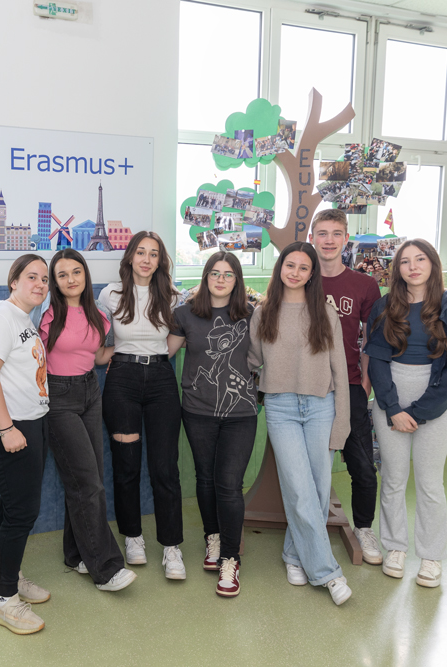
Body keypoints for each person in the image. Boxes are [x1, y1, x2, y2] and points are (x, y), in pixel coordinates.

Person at [247, 242, 353, 606]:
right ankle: (328, 573)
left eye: (303, 267)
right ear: (280, 268)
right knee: (298, 487)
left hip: (322, 405)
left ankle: (294, 555)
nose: (295, 272)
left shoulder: (325, 311)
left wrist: (342, 423)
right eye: (289, 265)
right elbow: (252, 359)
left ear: (311, 274)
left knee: (318, 490)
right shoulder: (263, 312)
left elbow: (340, 370)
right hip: (281, 407)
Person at [365, 239, 447, 588]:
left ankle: (431, 556)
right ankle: (395, 547)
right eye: (405, 261)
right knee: (393, 479)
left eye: (420, 259)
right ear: (397, 269)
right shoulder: (383, 306)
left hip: (436, 399)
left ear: (433, 264)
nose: (413, 267)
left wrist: (421, 412)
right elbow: (377, 361)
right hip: (391, 396)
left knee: (429, 483)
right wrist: (393, 409)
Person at [39, 249, 137, 593]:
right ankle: (106, 569)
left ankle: (76, 554)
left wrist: (129, 345)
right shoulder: (46, 314)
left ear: (85, 275)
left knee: (88, 479)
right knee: (88, 483)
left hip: (90, 392)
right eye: (62, 274)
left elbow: (96, 357)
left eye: (76, 272)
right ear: (55, 281)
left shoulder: (98, 313)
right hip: (58, 397)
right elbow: (33, 358)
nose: (71, 279)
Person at [167, 251, 257, 597]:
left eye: (228, 274)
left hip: (241, 413)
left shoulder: (252, 315)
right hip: (198, 410)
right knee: (205, 478)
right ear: (205, 278)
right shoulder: (184, 314)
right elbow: (165, 352)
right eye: (215, 273)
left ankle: (230, 559)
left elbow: (265, 355)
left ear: (237, 280)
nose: (221, 279)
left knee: (229, 485)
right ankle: (213, 538)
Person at [98, 231, 186, 580]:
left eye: (154, 254)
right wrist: (118, 356)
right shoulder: (111, 294)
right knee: (127, 465)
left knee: (165, 468)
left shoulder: (173, 296)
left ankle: (171, 546)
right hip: (122, 380)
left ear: (160, 261)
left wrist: (158, 356)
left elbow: (177, 337)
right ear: (130, 257)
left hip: (162, 380)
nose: (147, 259)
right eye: (141, 252)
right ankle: (133, 537)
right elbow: (95, 338)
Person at [0, 254, 52, 635]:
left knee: (14, 505)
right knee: (22, 511)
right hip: (6, 428)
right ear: (14, 281)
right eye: (31, 277)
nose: (40, 284)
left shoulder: (24, 319)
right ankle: (5, 600)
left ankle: (11, 575)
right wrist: (6, 429)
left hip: (30, 424)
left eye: (44, 279)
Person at [308, 209, 383, 566]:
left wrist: (364, 384)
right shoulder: (301, 279)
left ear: (346, 239)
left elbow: (373, 340)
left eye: (336, 233)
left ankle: (364, 528)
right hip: (309, 388)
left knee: (363, 467)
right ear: (312, 238)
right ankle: (309, 531)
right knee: (312, 468)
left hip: (350, 386)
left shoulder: (364, 285)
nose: (329, 240)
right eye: (322, 233)